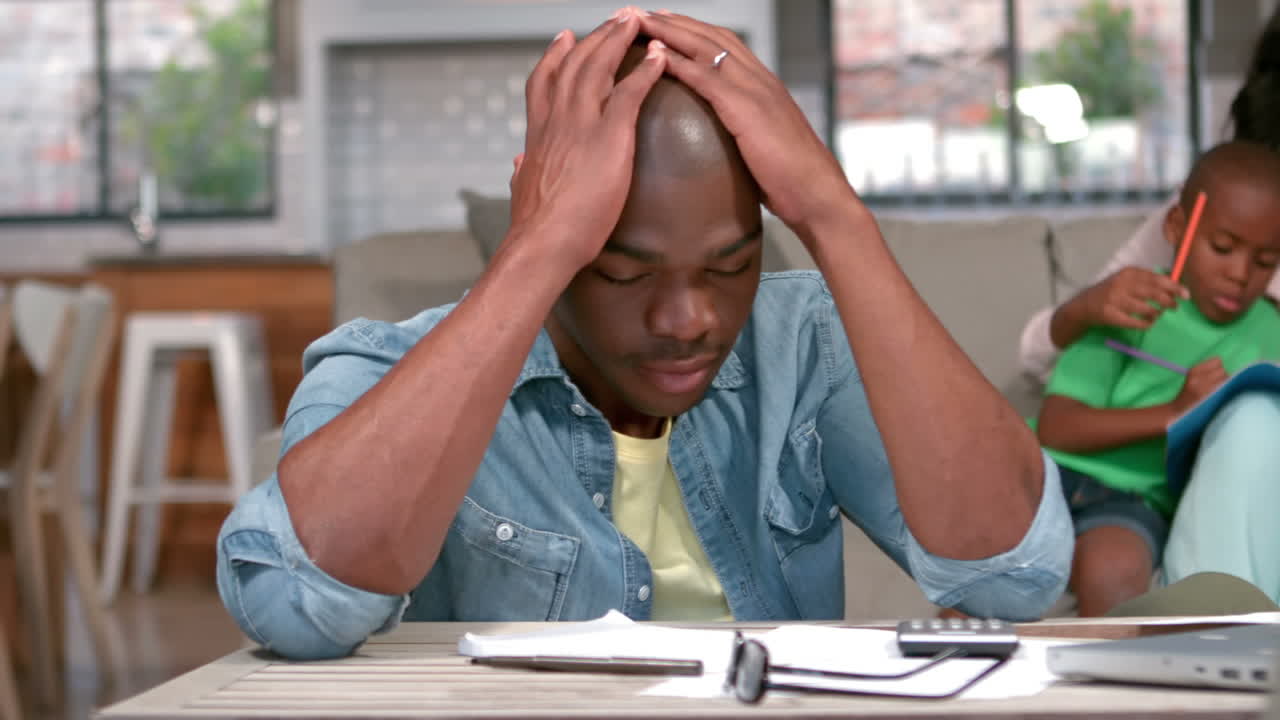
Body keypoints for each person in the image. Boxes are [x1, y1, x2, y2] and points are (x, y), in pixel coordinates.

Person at [215, 8, 1072, 660]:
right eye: (623, 273)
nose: (688, 321)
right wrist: (537, 247)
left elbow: (1014, 576)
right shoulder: (382, 367)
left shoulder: (804, 342)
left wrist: (836, 218)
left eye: (729, 268)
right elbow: (296, 608)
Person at [1020, 7, 1280, 605]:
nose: (1240, 274)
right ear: (1180, 229)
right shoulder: (1142, 300)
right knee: (981, 569)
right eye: (1223, 248)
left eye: (1265, 259)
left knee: (1112, 567)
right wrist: (1086, 310)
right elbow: (1053, 401)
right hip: (1045, 474)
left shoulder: (1265, 326)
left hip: (1138, 502)